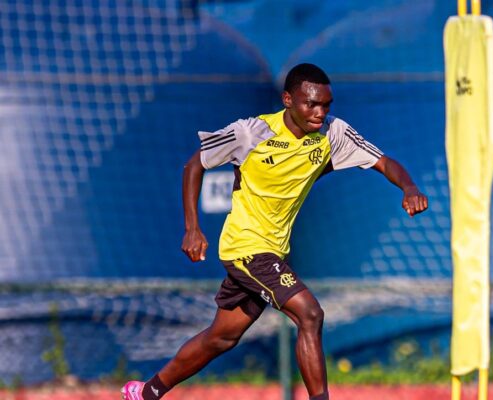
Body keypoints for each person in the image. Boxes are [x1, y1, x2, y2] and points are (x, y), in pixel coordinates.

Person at [122, 63, 428, 400]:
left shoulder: (332, 133)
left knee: (221, 337)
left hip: (272, 250)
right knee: (310, 314)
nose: (319, 112)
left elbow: (384, 161)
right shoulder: (251, 132)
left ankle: (146, 392)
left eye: (326, 104)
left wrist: (409, 186)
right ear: (287, 100)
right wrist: (192, 228)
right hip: (246, 247)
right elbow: (194, 164)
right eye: (310, 104)